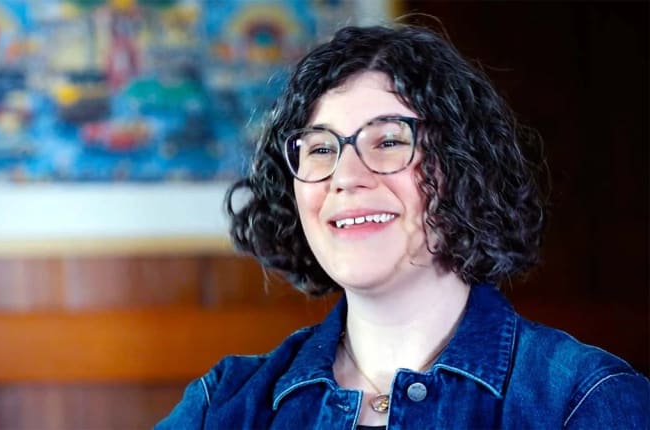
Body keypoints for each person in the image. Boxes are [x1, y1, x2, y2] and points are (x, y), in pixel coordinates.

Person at [156, 24, 649, 429]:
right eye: (322, 149)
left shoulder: (583, 400)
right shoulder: (221, 405)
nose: (346, 177)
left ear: (463, 168)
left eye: (388, 141)